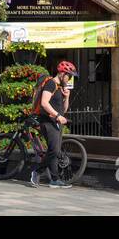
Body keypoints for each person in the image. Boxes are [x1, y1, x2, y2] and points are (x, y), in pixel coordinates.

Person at [29, 60, 77, 189]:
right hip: (48, 121)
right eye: (69, 76)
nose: (69, 79)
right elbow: (44, 103)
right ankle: (37, 172)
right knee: (54, 150)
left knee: (53, 150)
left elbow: (64, 109)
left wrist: (67, 97)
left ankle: (54, 179)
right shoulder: (50, 84)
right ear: (62, 73)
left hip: (56, 122)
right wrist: (57, 116)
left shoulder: (60, 87)